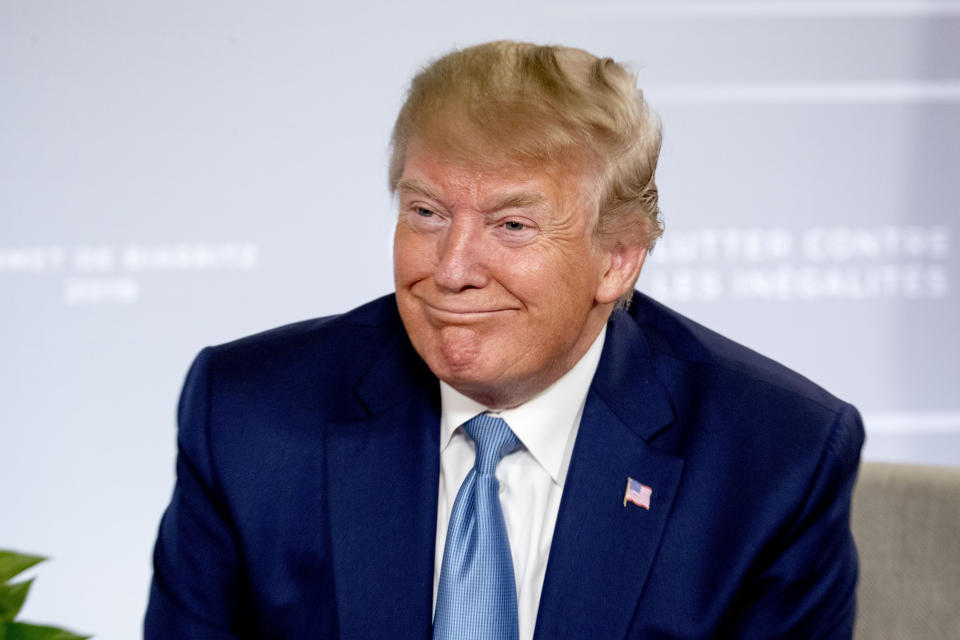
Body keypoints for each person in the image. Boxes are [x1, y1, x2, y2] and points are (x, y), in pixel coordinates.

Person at [145, 41, 863, 639]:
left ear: (617, 259)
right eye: (425, 212)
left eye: (511, 226)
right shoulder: (247, 418)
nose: (450, 271)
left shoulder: (775, 458)